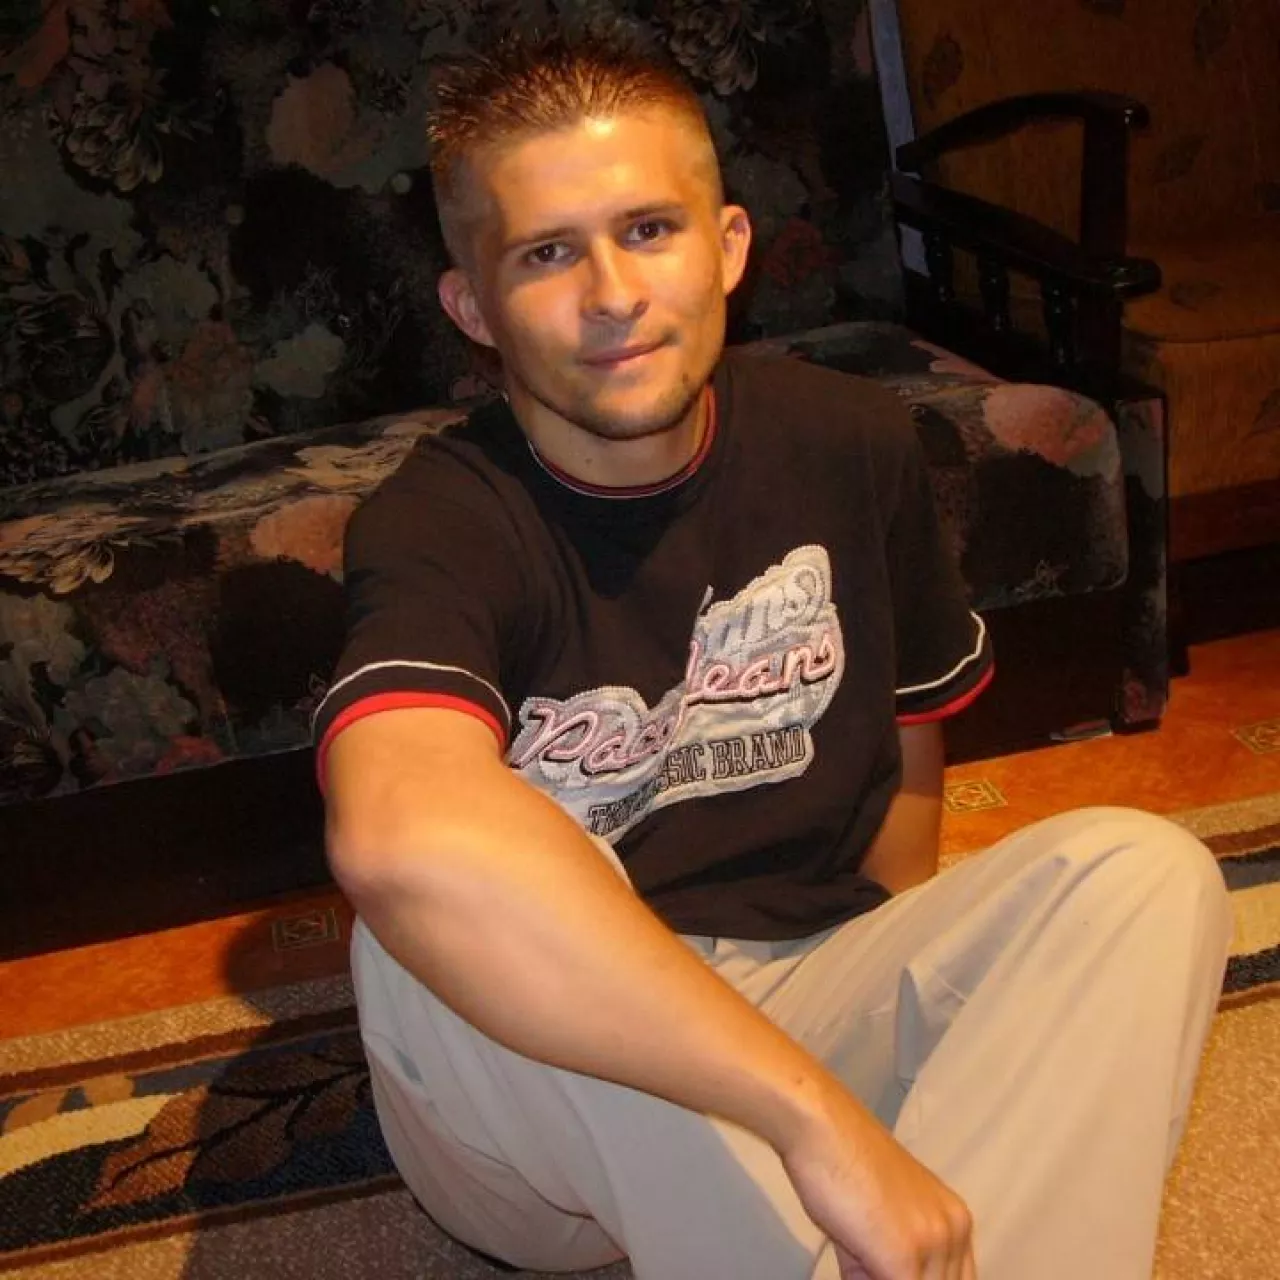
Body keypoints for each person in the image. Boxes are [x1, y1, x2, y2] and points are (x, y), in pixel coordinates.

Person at [314, 21, 1232, 1280]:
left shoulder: (849, 442)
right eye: (546, 252)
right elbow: (394, 834)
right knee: (426, 917)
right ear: (472, 306)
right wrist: (815, 1120)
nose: (612, 293)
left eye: (649, 228)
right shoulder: (439, 519)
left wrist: (876, 1046)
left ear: (728, 245)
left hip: (806, 986)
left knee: (1140, 872)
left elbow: (906, 753)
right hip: (552, 1113)